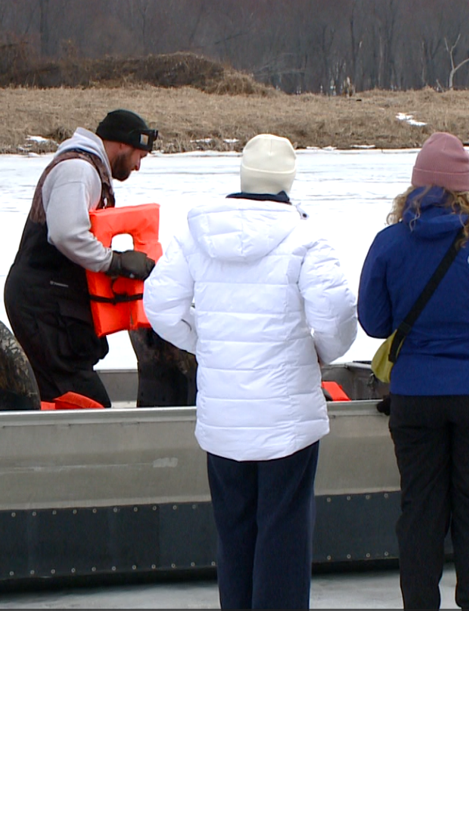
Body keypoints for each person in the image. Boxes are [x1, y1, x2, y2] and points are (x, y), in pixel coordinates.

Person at [143, 134, 356, 609]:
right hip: (286, 421)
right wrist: (318, 351)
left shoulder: (195, 234)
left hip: (223, 420)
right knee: (283, 533)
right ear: (288, 182)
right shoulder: (305, 236)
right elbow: (338, 318)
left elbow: (158, 306)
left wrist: (204, 340)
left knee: (235, 533)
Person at [358, 132, 469, 610]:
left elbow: (374, 322)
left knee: (420, 509)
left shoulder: (389, 243)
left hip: (417, 394)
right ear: (466, 189)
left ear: (414, 186)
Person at [3, 109, 159, 407]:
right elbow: (66, 234)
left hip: (50, 302)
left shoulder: (87, 168)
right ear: (123, 144)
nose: (138, 166)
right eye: (140, 155)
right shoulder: (79, 170)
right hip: (43, 303)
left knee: (56, 390)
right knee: (88, 401)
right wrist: (116, 262)